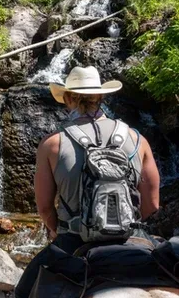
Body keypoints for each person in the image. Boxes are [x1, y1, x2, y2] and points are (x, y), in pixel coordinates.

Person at [14, 66, 160, 298]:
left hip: (73, 240)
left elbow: (43, 208)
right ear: (100, 97)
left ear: (68, 98)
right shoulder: (137, 139)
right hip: (130, 237)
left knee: (23, 291)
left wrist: (56, 231)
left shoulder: (52, 144)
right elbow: (152, 204)